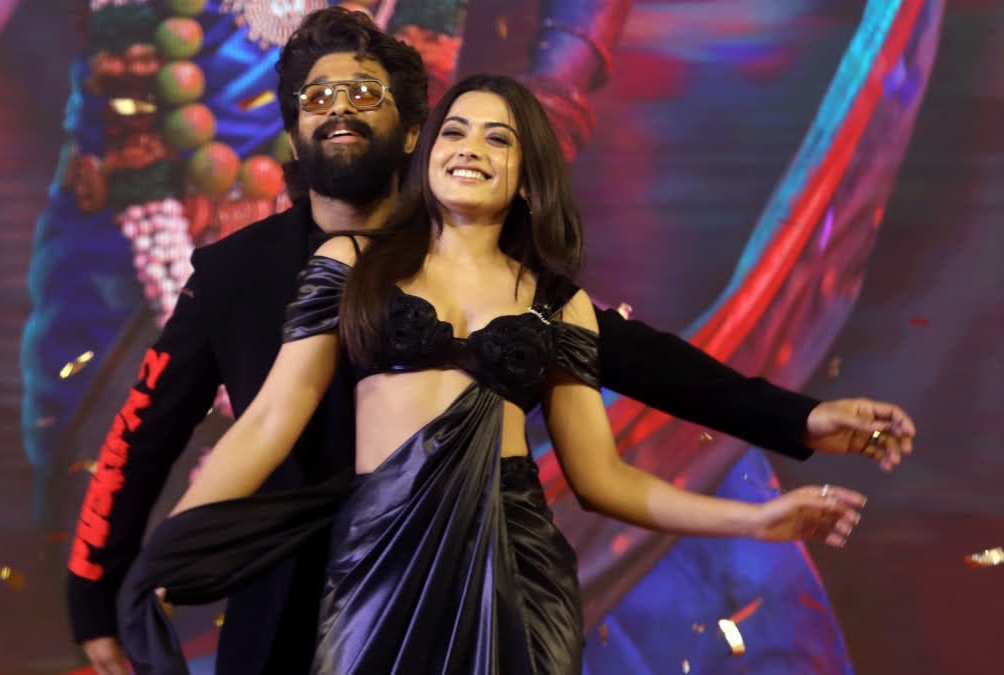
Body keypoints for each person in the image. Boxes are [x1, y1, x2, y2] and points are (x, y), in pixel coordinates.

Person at [68, 8, 916, 675]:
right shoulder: (239, 272)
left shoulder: (486, 261)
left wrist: (797, 420)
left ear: (411, 130)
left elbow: (644, 365)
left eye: (365, 95)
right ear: (291, 130)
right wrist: (102, 590)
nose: (340, 112)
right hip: (297, 595)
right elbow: (154, 430)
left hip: (493, 579)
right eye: (318, 100)